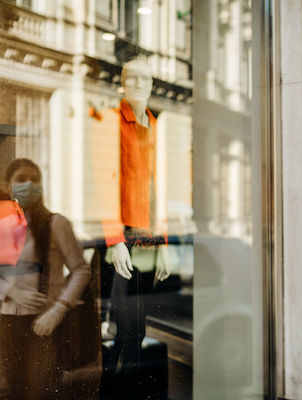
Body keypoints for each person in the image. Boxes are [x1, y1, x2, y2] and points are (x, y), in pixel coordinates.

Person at [89, 58, 170, 398]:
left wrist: (163, 243)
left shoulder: (155, 124)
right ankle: (111, 392)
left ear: (152, 84)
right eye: (130, 78)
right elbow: (103, 182)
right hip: (122, 239)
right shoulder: (110, 121)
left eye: (144, 78)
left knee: (137, 329)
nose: (137, 83)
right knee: (123, 330)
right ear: (122, 82)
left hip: (146, 240)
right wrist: (114, 239)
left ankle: (128, 392)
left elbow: (159, 189)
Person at [0, 158, 92, 399]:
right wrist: (12, 291)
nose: (29, 184)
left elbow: (81, 270)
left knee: (40, 391)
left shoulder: (56, 224)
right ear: (8, 185)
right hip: (7, 322)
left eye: (35, 179)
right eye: (21, 179)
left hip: (44, 325)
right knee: (13, 390)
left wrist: (58, 310)